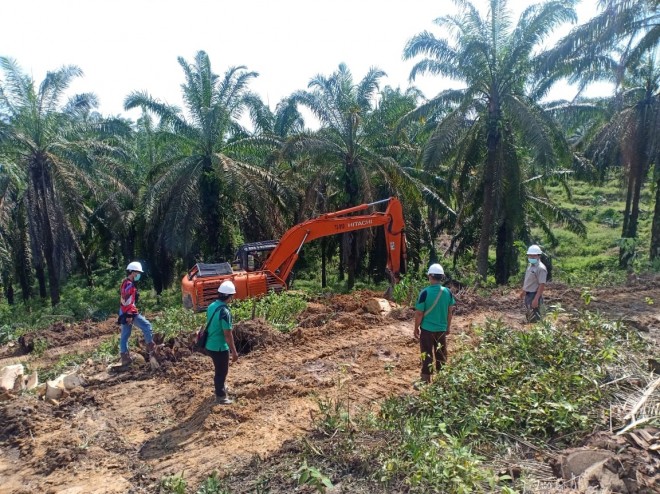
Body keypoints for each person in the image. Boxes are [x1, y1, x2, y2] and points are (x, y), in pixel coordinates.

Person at [414, 263, 456, 386]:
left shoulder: (424, 293)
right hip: (441, 330)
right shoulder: (447, 292)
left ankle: (426, 379)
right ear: (441, 277)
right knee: (441, 354)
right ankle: (442, 379)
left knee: (426, 353)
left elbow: (419, 313)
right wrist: (448, 327)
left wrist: (416, 328)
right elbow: (450, 312)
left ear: (430, 276)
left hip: (427, 330)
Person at [206, 280, 239, 405]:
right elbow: (227, 334)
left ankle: (222, 387)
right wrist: (234, 352)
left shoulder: (212, 306)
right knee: (221, 371)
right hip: (219, 347)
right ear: (230, 297)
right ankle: (221, 396)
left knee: (219, 369)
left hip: (209, 344)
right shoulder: (225, 312)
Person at [119, 261, 156, 365]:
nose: (138, 275)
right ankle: (152, 350)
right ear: (132, 272)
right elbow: (127, 301)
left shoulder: (125, 282)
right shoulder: (129, 285)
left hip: (124, 311)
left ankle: (125, 357)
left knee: (125, 335)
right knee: (147, 326)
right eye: (137, 273)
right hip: (129, 312)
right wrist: (129, 315)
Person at [520, 244, 547, 323]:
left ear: (539, 256)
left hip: (534, 295)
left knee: (535, 319)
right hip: (528, 295)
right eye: (530, 256)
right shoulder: (530, 266)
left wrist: (536, 299)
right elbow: (529, 280)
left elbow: (542, 285)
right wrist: (524, 291)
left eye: (534, 256)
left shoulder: (541, 268)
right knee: (529, 316)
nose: (531, 257)